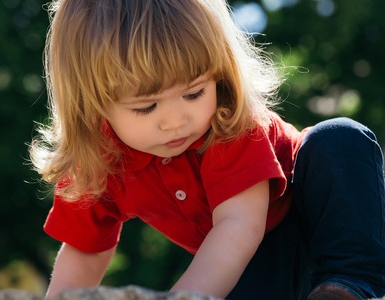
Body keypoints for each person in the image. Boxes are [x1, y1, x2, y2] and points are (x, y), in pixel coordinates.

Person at [29, 0, 385, 299]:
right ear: (92, 105)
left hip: (307, 218)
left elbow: (238, 224)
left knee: (338, 138)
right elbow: (84, 251)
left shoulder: (228, 122)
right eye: (146, 107)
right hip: (243, 265)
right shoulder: (98, 160)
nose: (175, 121)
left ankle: (350, 284)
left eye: (194, 93)